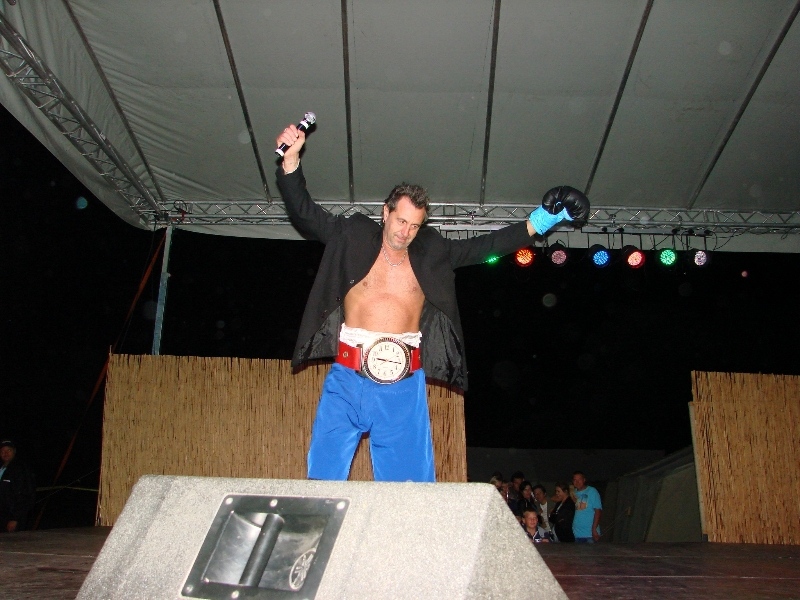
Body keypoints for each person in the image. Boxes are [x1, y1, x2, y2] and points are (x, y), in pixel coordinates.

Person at [274, 124, 589, 482]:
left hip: (403, 385)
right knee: (322, 480)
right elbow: (305, 213)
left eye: (414, 226)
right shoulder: (351, 235)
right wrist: (292, 161)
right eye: (400, 220)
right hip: (347, 378)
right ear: (385, 212)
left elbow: (487, 245)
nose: (404, 232)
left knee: (410, 491)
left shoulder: (432, 252)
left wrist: (545, 219)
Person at [0, 440, 36, 533]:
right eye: (3, 451)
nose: (5, 453)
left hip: (12, 517)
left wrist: (15, 518)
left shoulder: (20, 469)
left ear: (14, 451)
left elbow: (25, 494)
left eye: (8, 450)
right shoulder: (2, 468)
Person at [572, 471, 602, 542]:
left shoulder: (592, 491)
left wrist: (594, 529)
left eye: (579, 479)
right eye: (575, 480)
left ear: (584, 480)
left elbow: (598, 511)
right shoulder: (573, 493)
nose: (577, 482)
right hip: (576, 534)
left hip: (589, 534)